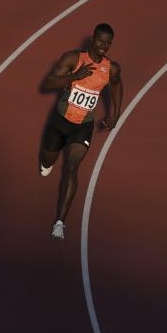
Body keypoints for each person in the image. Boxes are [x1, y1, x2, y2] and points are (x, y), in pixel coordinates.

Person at [39, 23, 123, 240]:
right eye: (100, 41)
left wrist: (116, 113)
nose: (104, 45)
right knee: (48, 159)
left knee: (72, 167)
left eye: (108, 42)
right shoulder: (73, 59)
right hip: (60, 121)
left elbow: (116, 85)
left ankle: (60, 222)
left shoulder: (110, 68)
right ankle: (47, 162)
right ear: (92, 40)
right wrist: (74, 77)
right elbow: (48, 83)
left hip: (83, 126)